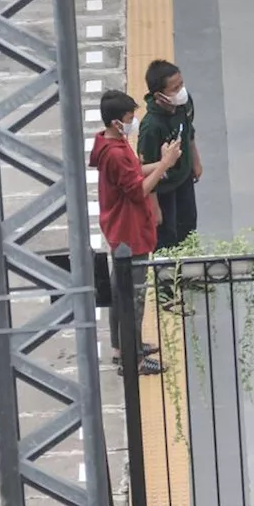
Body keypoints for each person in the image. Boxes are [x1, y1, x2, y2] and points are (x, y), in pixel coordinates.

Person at [90, 90, 182, 375]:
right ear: (117, 122)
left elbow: (135, 172)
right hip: (130, 231)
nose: (134, 122)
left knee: (120, 291)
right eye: (130, 118)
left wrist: (161, 162)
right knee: (134, 296)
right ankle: (135, 361)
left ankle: (124, 347)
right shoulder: (116, 154)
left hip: (119, 228)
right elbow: (137, 189)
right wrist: (165, 165)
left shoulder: (108, 143)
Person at [137, 59, 202, 252]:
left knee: (188, 228)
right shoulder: (151, 127)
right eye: (175, 88)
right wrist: (154, 208)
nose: (181, 91)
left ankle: (191, 275)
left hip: (184, 179)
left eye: (181, 84)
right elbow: (147, 170)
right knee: (167, 238)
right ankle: (169, 279)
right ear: (159, 95)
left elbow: (189, 133)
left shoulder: (184, 103)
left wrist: (196, 162)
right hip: (164, 190)